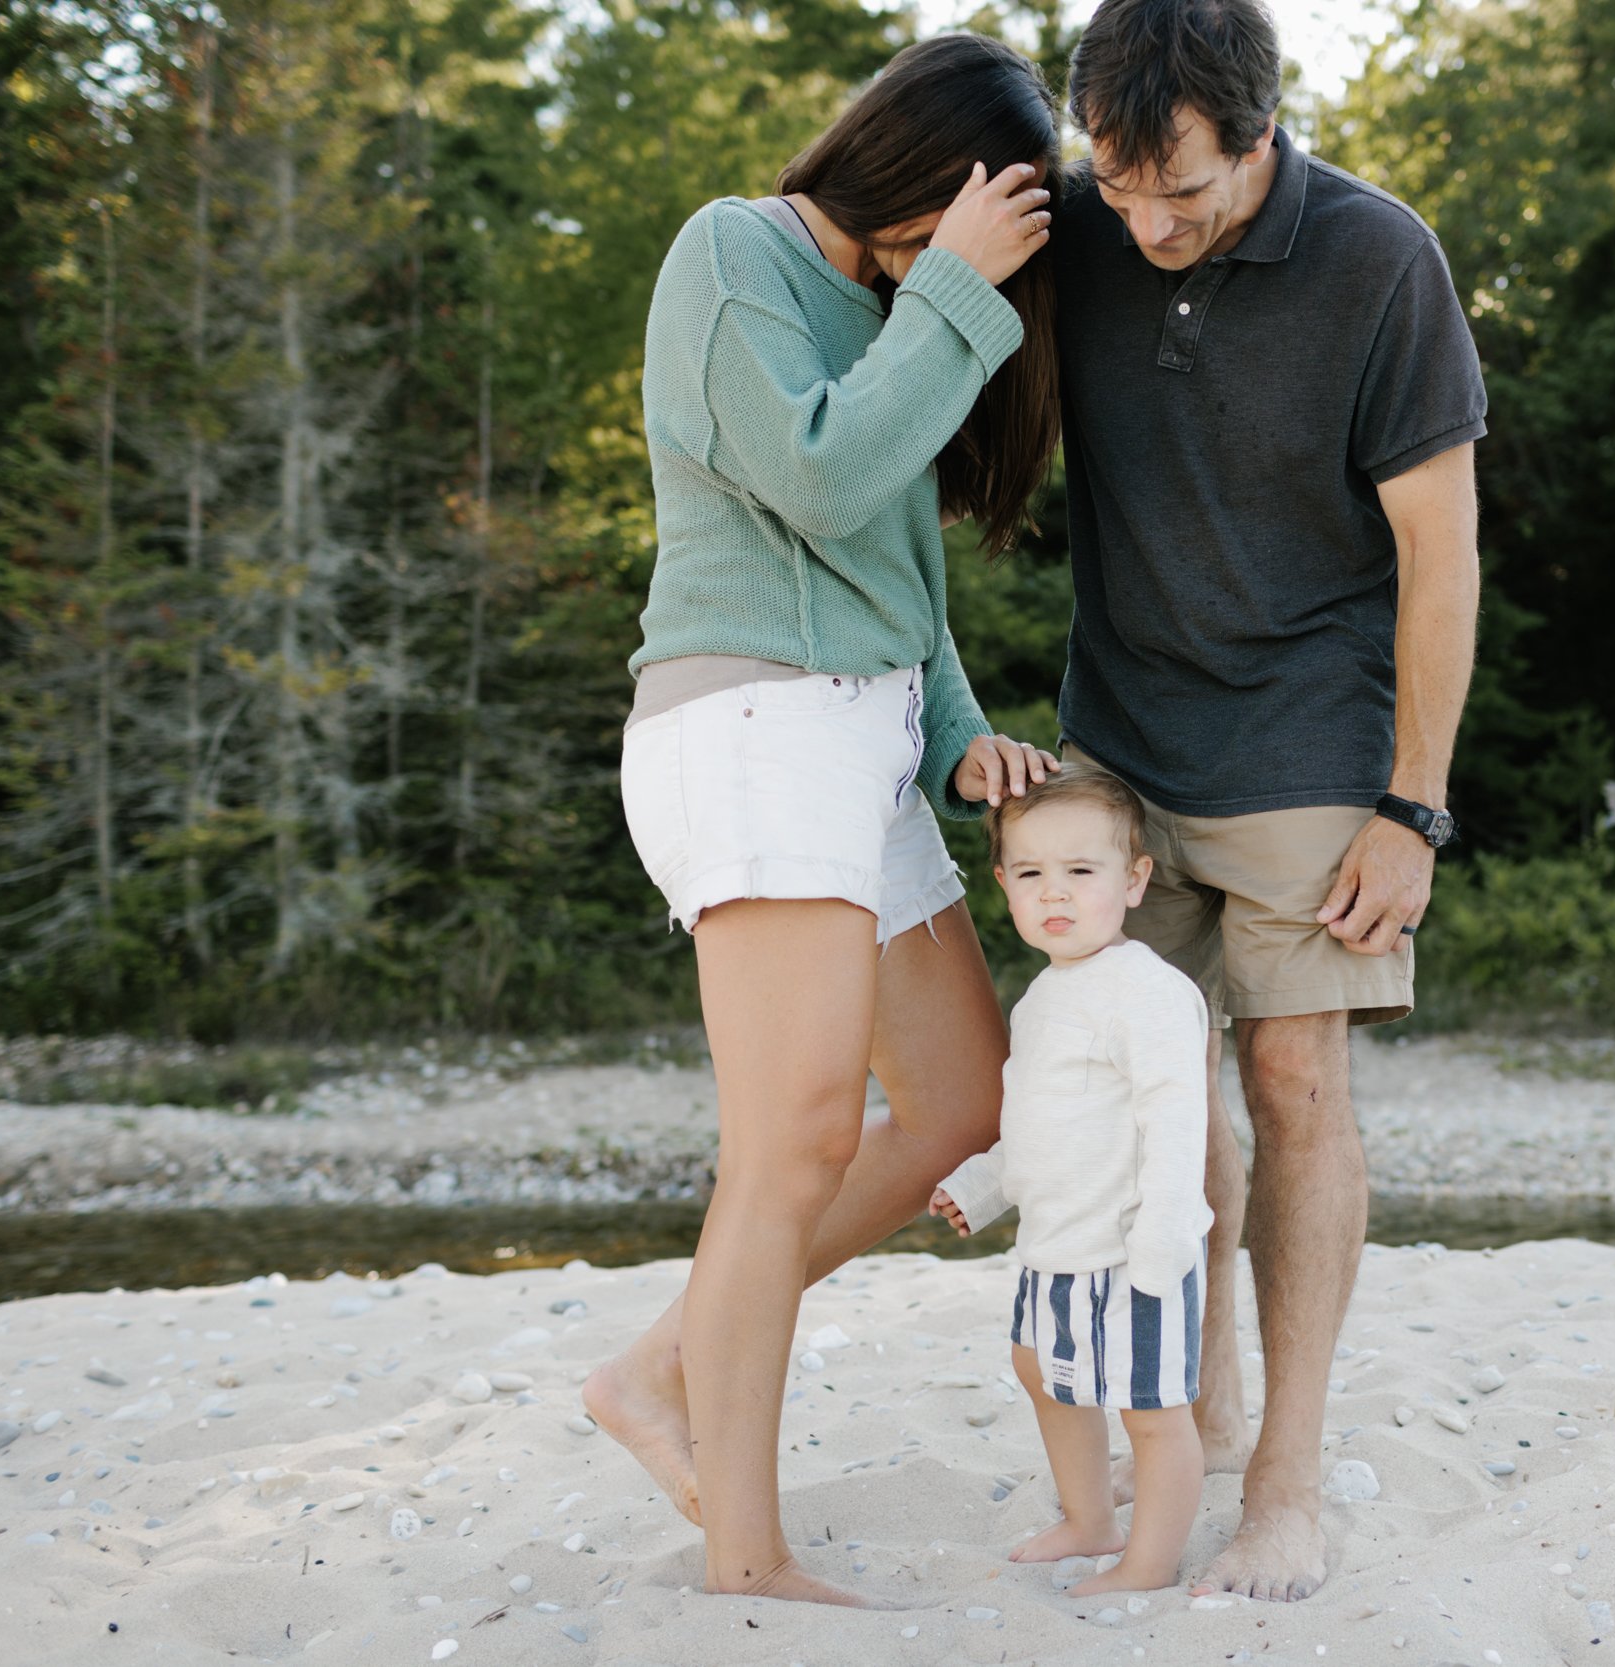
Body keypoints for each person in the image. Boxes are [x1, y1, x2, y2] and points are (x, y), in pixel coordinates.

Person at [582, 34, 1065, 1608]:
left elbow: (901, 583)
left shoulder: (885, 310)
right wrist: (953, 295)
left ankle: (662, 1368)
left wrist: (965, 738)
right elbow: (816, 476)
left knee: (961, 1103)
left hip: (859, 730)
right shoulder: (731, 250)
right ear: (911, 159)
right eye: (956, 225)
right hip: (750, 723)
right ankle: (745, 1547)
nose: (957, 267)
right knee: (785, 1143)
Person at [1048, 0, 1491, 1602]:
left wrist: (1413, 805)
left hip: (1312, 733)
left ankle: (1284, 1470)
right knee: (1145, 1089)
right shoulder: (1081, 218)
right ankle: (1197, 1385)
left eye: (1187, 189)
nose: (1150, 223)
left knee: (1291, 1077)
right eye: (1120, 185)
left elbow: (1440, 554)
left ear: (1262, 129)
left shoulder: (1382, 261)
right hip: (1123, 732)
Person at [927, 766, 1215, 1598]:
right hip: (1054, 1242)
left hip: (1132, 1247)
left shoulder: (1149, 992)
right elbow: (1040, 1123)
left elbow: (1175, 1119)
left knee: (1154, 1413)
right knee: (1039, 1368)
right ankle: (1090, 1519)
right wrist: (984, 1185)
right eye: (1031, 874)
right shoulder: (1044, 996)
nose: (1055, 892)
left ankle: (1148, 1562)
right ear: (1004, 885)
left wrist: (1162, 1239)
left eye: (1081, 872)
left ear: (1132, 880)